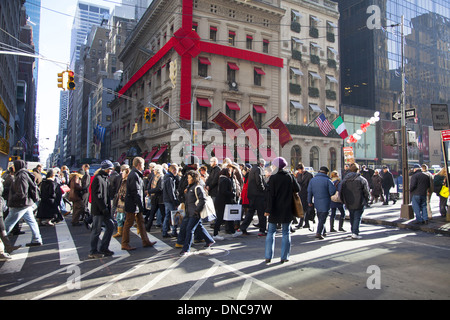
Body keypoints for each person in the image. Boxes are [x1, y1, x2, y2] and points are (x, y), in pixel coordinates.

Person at [264, 157, 299, 264]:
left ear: (276, 166)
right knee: (286, 233)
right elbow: (297, 189)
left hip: (274, 208)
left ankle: (268, 256)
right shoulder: (289, 176)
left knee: (271, 232)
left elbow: (271, 196)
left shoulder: (273, 178)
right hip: (287, 208)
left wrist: (268, 210)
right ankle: (284, 257)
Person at [4, 160, 42, 247]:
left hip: (20, 204)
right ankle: (37, 239)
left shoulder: (21, 176)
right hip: (26, 203)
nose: (12, 167)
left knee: (8, 223)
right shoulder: (23, 174)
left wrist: (12, 198)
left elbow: (21, 193)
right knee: (32, 221)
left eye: (13, 165)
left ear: (17, 166)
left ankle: (2, 242)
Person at [122, 157, 157, 251]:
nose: (144, 166)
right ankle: (124, 243)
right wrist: (141, 206)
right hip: (133, 204)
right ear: (138, 164)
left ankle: (145, 241)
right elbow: (136, 192)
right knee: (128, 223)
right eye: (142, 164)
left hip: (135, 203)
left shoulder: (135, 174)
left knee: (140, 223)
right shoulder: (134, 175)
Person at [179, 170, 215, 256]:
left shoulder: (197, 187)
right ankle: (209, 240)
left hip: (194, 213)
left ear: (194, 178)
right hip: (190, 212)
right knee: (199, 227)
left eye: (190, 178)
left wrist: (197, 210)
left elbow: (203, 199)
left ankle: (186, 249)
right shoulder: (190, 187)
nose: (188, 179)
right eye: (188, 178)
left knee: (190, 230)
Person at [89, 160, 115, 258]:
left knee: (110, 226)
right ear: (106, 169)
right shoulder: (98, 178)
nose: (111, 171)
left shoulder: (105, 178)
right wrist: (103, 208)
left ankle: (104, 247)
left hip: (104, 209)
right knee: (96, 230)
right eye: (110, 169)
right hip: (99, 210)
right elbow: (97, 195)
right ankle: (93, 251)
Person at [340, 163, 370, 239]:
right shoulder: (362, 179)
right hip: (359, 201)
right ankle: (355, 232)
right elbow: (366, 191)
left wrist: (343, 200)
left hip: (348, 201)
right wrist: (366, 200)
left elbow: (341, 191)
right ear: (358, 169)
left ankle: (353, 231)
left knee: (352, 216)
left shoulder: (345, 180)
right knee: (357, 217)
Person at [307, 166, 336, 240]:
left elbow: (309, 192)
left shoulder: (313, 180)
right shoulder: (328, 180)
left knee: (320, 216)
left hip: (316, 201)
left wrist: (309, 201)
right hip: (325, 201)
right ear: (326, 172)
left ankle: (323, 231)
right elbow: (332, 192)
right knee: (323, 217)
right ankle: (319, 232)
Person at [240, 158, 267, 236]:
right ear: (261, 164)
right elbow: (259, 182)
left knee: (250, 212)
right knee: (261, 213)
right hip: (258, 195)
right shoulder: (258, 169)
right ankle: (262, 230)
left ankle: (243, 227)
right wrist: (264, 190)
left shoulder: (253, 169)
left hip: (252, 195)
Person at [213, 167, 239, 240]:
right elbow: (224, 191)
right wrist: (232, 194)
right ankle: (215, 234)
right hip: (223, 201)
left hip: (220, 201)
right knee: (220, 218)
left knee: (228, 217)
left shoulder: (221, 179)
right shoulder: (226, 180)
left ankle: (233, 232)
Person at [145, 164, 165, 232]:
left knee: (155, 214)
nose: (153, 171)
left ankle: (148, 227)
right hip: (157, 198)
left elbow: (159, 188)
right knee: (157, 214)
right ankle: (164, 228)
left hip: (158, 198)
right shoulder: (158, 177)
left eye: (155, 170)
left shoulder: (158, 177)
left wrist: (149, 191)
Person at [162, 163, 180, 238]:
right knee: (174, 215)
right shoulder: (170, 178)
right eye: (176, 171)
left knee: (168, 215)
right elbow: (171, 191)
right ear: (173, 170)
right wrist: (175, 201)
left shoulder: (167, 177)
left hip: (166, 199)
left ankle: (165, 231)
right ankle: (173, 231)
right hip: (170, 200)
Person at [112, 166, 130, 238]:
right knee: (120, 217)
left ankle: (122, 231)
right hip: (120, 201)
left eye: (123, 173)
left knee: (122, 217)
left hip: (123, 201)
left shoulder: (127, 181)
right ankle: (120, 231)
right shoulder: (122, 180)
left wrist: (122, 196)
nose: (122, 174)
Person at [295, 163, 314, 229]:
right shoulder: (299, 175)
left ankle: (304, 223)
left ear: (302, 169)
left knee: (305, 209)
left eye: (299, 170)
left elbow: (310, 185)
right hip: (300, 193)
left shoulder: (309, 175)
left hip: (307, 193)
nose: (299, 171)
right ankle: (304, 223)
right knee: (302, 209)